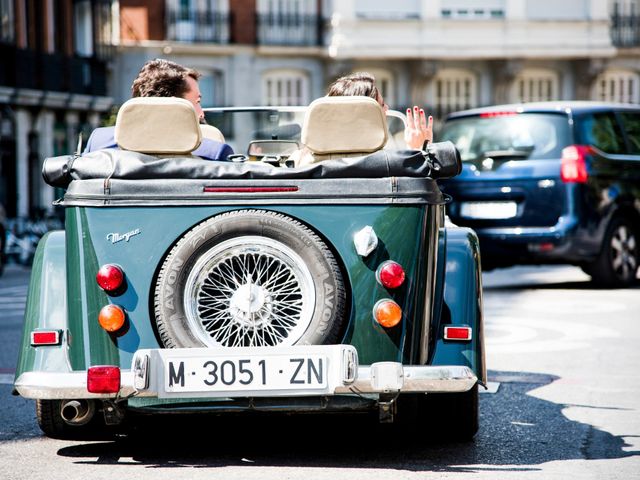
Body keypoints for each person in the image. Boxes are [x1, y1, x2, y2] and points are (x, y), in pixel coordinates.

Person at [84, 59, 233, 161]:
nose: (202, 112)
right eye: (197, 102)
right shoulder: (213, 153)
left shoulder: (98, 143)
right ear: (174, 107)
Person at [327, 71, 433, 150]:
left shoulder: (314, 162)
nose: (386, 107)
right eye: (381, 104)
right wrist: (418, 149)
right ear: (365, 113)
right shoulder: (385, 162)